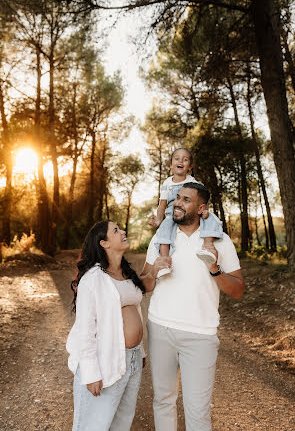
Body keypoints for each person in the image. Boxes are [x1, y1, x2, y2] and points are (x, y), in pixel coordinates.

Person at [141, 182, 245, 431]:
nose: (177, 202)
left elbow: (238, 289)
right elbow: (144, 284)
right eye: (177, 197)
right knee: (163, 400)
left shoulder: (219, 241)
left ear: (201, 208)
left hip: (201, 334)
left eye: (186, 199)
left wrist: (214, 270)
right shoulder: (161, 237)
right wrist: (154, 271)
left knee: (197, 409)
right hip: (160, 328)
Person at [66, 220, 164, 431]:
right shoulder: (93, 279)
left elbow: (136, 307)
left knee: (122, 421)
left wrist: (141, 353)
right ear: (104, 243)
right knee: (93, 425)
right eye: (116, 230)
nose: (123, 231)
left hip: (132, 359)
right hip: (104, 360)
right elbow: (85, 330)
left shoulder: (126, 274)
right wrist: (91, 373)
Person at [149, 148, 223, 277]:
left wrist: (205, 211)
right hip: (172, 214)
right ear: (171, 163)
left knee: (211, 219)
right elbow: (162, 206)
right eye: (177, 158)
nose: (180, 161)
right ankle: (164, 261)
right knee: (164, 230)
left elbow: (200, 199)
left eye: (185, 159)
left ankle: (208, 246)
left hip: (190, 213)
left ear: (190, 166)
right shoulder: (167, 183)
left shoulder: (193, 182)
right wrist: (159, 220)